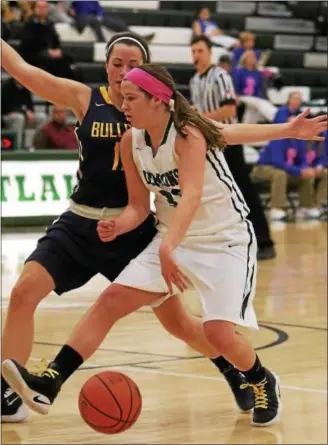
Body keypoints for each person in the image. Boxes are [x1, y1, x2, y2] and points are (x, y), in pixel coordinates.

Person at [2, 65, 326, 428]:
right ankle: (51, 380)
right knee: (110, 301)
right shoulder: (131, 141)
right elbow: (140, 207)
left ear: (158, 101)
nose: (122, 104)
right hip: (174, 237)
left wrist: (289, 130)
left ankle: (261, 379)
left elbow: (191, 195)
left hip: (226, 240)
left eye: (130, 98)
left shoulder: (188, 132)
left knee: (218, 333)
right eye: (121, 97)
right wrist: (118, 224)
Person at [190, 35, 276, 260]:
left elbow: (229, 111)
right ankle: (226, 240)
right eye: (194, 52)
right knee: (216, 193)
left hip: (229, 141)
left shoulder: (221, 76)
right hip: (209, 145)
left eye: (200, 51)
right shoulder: (195, 80)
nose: (196, 56)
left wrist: (200, 119)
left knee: (243, 189)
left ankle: (265, 241)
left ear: (209, 52)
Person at [251, 138, 319, 220]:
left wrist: (305, 170)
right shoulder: (278, 138)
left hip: (286, 170)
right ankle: (276, 209)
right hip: (263, 168)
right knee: (280, 174)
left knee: (306, 175)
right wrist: (299, 171)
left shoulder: (300, 140)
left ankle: (305, 208)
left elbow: (303, 160)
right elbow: (278, 162)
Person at [19, 1, 75, 80]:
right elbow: (28, 45)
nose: (42, 9)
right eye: (39, 7)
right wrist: (47, 51)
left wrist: (57, 50)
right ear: (34, 9)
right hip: (34, 55)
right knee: (52, 62)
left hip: (49, 54)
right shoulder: (29, 24)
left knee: (67, 58)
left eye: (45, 7)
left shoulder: (50, 24)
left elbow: (56, 41)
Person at [2, 77, 47, 149]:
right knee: (19, 118)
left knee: (41, 117)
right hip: (7, 116)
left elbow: (30, 105)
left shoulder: (25, 86)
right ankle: (17, 147)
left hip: (24, 116)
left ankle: (38, 146)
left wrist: (30, 112)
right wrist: (25, 111)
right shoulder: (6, 86)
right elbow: (5, 106)